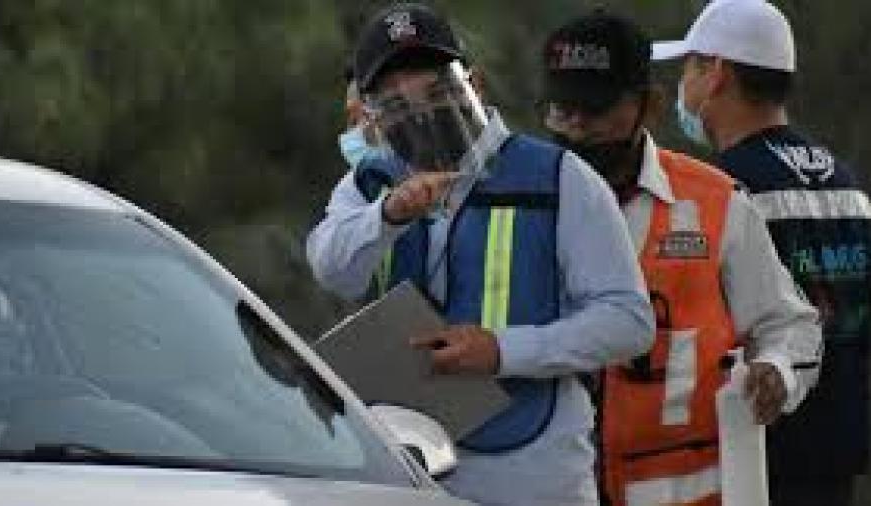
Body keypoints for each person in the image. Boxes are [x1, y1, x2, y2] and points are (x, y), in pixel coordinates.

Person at [306, 3, 655, 505]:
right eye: (396, 103)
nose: (421, 113)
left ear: (475, 84)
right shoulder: (371, 184)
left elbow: (629, 321)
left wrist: (503, 351)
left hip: (531, 479)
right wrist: (388, 215)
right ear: (373, 114)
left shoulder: (560, 178)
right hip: (402, 473)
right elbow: (332, 269)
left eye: (437, 90)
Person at [542, 10, 823, 505]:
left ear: (647, 105)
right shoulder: (517, 199)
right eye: (564, 113)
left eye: (597, 111)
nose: (578, 130)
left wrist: (777, 370)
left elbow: (791, 324)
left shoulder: (719, 203)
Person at [653, 1, 871, 504]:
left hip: (754, 447)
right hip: (838, 450)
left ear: (717, 74)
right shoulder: (846, 183)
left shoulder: (725, 191)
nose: (683, 84)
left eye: (689, 66)